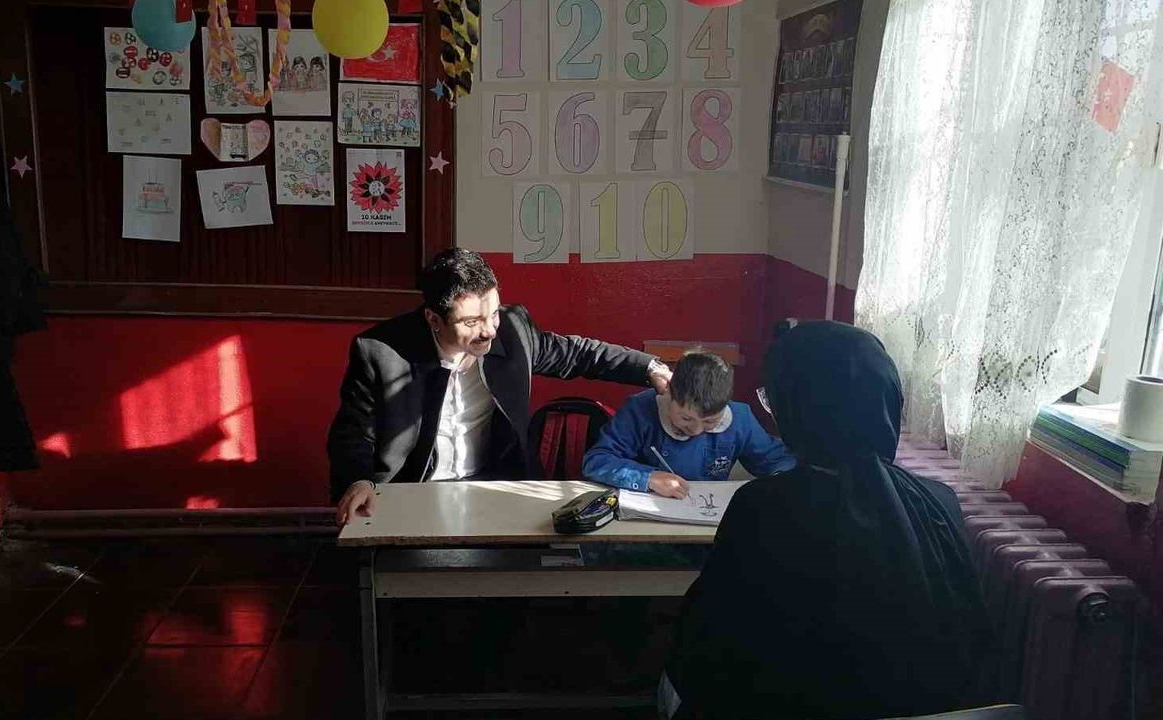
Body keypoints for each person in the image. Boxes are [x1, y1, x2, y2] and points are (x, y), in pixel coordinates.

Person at [662, 322, 994, 720]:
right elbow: (969, 647)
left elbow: (701, 647)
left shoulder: (760, 506)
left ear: (798, 410)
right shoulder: (940, 500)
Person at [329, 249, 672, 524]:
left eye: (492, 313)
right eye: (471, 321)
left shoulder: (511, 329)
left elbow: (578, 354)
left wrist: (650, 368)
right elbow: (354, 431)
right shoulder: (380, 351)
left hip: (496, 483)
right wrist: (358, 480)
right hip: (414, 491)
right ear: (433, 319)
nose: (489, 330)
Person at [582, 351, 795, 497]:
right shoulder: (639, 410)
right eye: (685, 418)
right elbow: (597, 461)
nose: (696, 430)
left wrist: (780, 481)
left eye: (710, 421)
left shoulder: (739, 418)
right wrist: (648, 478)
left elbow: (778, 459)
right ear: (668, 393)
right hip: (647, 519)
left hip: (706, 520)